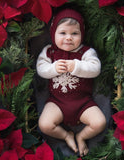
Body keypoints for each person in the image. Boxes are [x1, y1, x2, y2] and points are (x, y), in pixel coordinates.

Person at [36, 8, 106, 157]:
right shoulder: (49, 52)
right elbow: (41, 69)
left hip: (83, 103)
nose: (69, 38)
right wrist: (53, 68)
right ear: (53, 32)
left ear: (82, 34)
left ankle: (82, 136)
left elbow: (95, 68)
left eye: (74, 33)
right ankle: (66, 135)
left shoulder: (86, 52)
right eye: (63, 33)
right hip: (57, 103)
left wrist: (78, 66)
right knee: (44, 125)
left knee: (99, 123)